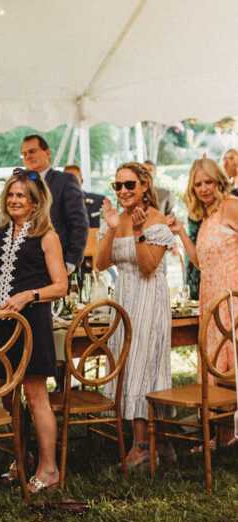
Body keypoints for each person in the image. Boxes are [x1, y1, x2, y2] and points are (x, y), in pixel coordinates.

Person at [0, 169, 68, 492]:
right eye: (10, 194)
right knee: (8, 397)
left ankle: (49, 469)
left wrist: (29, 295)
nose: (14, 200)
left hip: (32, 323)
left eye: (21, 195)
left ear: (36, 203)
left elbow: (61, 286)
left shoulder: (47, 237)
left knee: (36, 397)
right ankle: (21, 460)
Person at [94, 161, 176, 468]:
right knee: (128, 366)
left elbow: (147, 267)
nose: (123, 191)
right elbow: (101, 264)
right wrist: (112, 228)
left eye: (129, 185)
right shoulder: (115, 219)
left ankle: (142, 447)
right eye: (118, 186)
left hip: (149, 297)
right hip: (124, 297)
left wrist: (140, 232)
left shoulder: (156, 220)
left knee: (145, 368)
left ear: (144, 186)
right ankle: (164, 444)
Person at [168, 158, 238, 447]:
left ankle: (228, 433)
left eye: (209, 182)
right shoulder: (208, 217)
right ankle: (221, 437)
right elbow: (200, 262)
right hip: (210, 301)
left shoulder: (231, 206)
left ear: (219, 181)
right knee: (215, 366)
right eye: (198, 184)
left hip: (232, 302)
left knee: (230, 367)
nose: (204, 188)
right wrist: (181, 232)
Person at [20, 135, 89, 277]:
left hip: (58, 266)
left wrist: (70, 263)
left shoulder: (65, 180)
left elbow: (79, 223)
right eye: (24, 153)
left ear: (47, 153)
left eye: (32, 151)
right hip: (27, 268)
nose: (28, 156)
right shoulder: (20, 185)